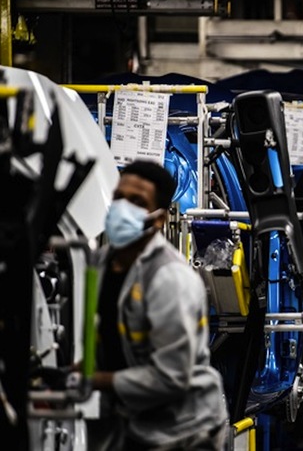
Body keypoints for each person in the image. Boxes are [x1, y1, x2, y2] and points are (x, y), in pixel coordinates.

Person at [90, 160, 228, 450]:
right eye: (119, 198)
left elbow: (170, 378)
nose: (122, 209)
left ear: (159, 220)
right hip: (133, 421)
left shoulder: (171, 279)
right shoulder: (98, 265)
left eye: (137, 202)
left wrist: (96, 380)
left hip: (185, 431)